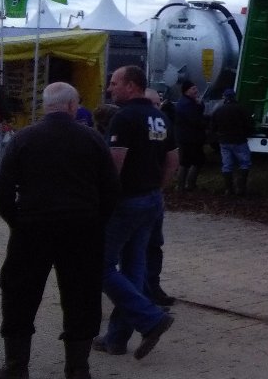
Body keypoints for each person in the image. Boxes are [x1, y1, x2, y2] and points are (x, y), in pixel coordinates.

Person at [0, 82, 120, 379]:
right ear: (73, 106)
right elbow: (111, 188)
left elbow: (2, 190)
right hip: (82, 229)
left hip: (32, 228)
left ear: (45, 106)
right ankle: (77, 368)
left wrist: (16, 222)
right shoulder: (93, 140)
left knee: (19, 293)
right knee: (82, 295)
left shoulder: (24, 139)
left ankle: (16, 366)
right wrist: (96, 221)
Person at [94, 65, 177, 359]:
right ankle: (116, 339)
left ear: (131, 85)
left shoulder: (124, 117)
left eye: (114, 82)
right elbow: (173, 160)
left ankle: (151, 318)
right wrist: (156, 189)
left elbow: (115, 163)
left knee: (97, 265)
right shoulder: (160, 117)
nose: (109, 88)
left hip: (125, 202)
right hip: (151, 200)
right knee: (133, 268)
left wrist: (105, 200)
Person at [142, 88, 176, 308]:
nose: (156, 108)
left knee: (154, 244)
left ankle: (152, 286)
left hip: (153, 194)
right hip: (134, 195)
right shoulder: (131, 122)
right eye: (152, 104)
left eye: (158, 104)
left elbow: (173, 158)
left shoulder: (163, 123)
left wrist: (160, 187)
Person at [210, 87, 254, 196]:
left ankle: (228, 189)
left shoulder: (219, 110)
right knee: (244, 163)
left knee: (227, 165)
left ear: (224, 97)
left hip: (224, 141)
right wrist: (247, 134)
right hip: (239, 141)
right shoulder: (241, 109)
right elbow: (249, 124)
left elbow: (212, 127)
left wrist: (218, 136)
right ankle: (241, 188)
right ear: (234, 97)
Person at [174, 80, 206, 192]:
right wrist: (205, 123)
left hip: (189, 138)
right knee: (189, 162)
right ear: (186, 91)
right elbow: (195, 120)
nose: (196, 90)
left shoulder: (188, 102)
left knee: (192, 161)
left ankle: (186, 185)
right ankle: (183, 185)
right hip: (189, 138)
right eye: (193, 88)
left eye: (196, 88)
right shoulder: (186, 104)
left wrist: (200, 104)